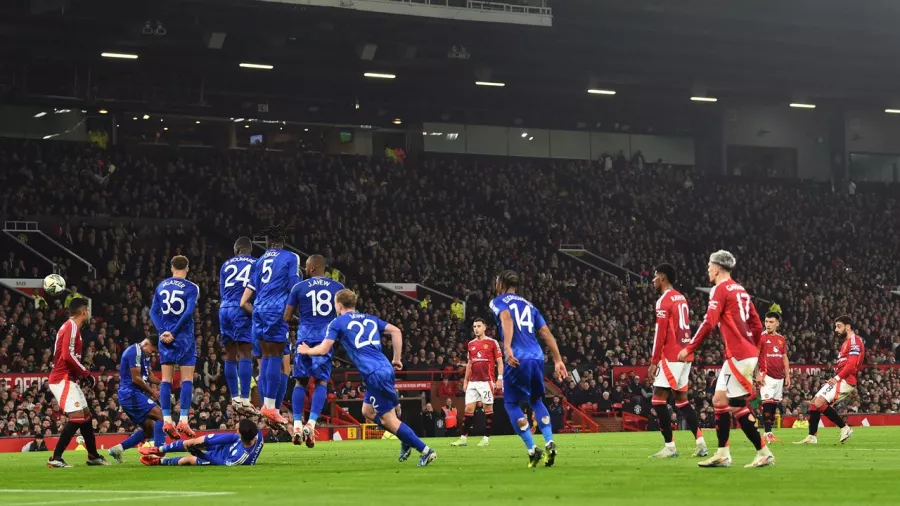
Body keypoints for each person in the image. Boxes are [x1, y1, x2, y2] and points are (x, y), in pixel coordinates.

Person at [297, 289, 437, 467]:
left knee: (389, 420)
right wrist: (396, 359)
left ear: (338, 305)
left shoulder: (338, 322)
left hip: (374, 374)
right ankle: (405, 438)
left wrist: (306, 350)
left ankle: (426, 451)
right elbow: (396, 331)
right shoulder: (370, 318)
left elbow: (323, 349)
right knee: (367, 412)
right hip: (384, 368)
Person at [677, 250, 772, 468]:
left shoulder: (719, 289)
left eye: (709, 265)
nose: (707, 269)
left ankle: (764, 452)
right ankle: (723, 454)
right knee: (719, 401)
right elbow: (757, 326)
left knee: (737, 407)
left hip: (739, 355)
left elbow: (709, 322)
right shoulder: (741, 290)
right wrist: (754, 354)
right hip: (741, 355)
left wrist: (690, 347)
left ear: (718, 267)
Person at [490, 270, 567, 468]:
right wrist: (558, 360)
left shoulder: (498, 301)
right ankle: (549, 441)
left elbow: (506, 319)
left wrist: (507, 347)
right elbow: (545, 332)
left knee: (511, 403)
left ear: (501, 284)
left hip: (517, 357)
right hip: (537, 356)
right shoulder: (529, 305)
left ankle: (533, 450)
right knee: (535, 400)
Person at [241, 223, 300, 426]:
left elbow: (252, 290)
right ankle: (271, 408)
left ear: (267, 243)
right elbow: (293, 285)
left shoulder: (259, 261)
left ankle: (268, 406)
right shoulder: (291, 257)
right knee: (277, 357)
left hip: (258, 310)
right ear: (282, 242)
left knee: (265, 358)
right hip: (276, 311)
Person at [284, 253, 344, 447]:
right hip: (325, 340)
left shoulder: (299, 287)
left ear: (310, 268)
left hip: (304, 338)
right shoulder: (338, 288)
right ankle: (311, 423)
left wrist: (302, 321)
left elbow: (286, 316)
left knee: (300, 382)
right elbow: (343, 317)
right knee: (321, 382)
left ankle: (298, 425)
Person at [648, 263, 707, 459]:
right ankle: (700, 443)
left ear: (663, 278)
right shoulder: (681, 298)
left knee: (658, 400)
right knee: (682, 401)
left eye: (655, 276)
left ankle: (670, 446)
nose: (653, 280)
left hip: (672, 355)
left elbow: (660, 333)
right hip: (685, 354)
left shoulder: (664, 301)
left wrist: (654, 361)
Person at [46, 298, 108, 467]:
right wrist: (86, 373)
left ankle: (93, 456)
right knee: (77, 417)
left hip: (68, 379)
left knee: (86, 417)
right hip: (62, 378)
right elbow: (67, 355)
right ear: (84, 311)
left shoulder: (70, 327)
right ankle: (55, 458)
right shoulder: (72, 326)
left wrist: (80, 375)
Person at [150, 255, 200, 440]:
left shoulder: (161, 286)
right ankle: (184, 420)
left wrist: (164, 331)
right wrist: (175, 332)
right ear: (187, 268)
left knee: (166, 380)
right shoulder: (192, 287)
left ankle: (167, 420)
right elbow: (188, 312)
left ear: (171, 268)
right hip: (184, 336)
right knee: (187, 379)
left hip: (165, 338)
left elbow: (152, 311)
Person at [794, 316, 863, 445]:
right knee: (814, 402)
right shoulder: (846, 343)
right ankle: (811, 436)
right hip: (840, 378)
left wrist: (836, 378)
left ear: (848, 327)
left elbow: (852, 365)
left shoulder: (854, 341)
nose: (836, 329)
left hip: (846, 379)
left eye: (839, 326)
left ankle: (845, 428)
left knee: (819, 402)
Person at [108, 336, 165, 463]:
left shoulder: (145, 354)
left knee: (149, 429)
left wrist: (163, 383)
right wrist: (152, 392)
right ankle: (159, 454)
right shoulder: (134, 351)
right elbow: (136, 379)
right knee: (160, 415)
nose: (153, 353)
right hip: (130, 394)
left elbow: (149, 375)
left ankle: (118, 449)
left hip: (133, 394)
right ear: (146, 344)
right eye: (153, 350)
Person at [218, 236, 257, 415]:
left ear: (236, 250)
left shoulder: (226, 265)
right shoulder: (256, 263)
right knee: (245, 353)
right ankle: (245, 399)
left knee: (230, 355)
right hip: (240, 309)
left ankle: (234, 398)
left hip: (224, 308)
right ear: (250, 250)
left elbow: (222, 291)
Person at [451, 318, 503, 447]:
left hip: (487, 381)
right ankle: (463, 438)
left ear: (484, 327)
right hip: (473, 382)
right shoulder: (471, 344)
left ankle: (486, 438)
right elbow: (469, 364)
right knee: (468, 409)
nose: (476, 329)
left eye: (479, 326)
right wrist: (465, 381)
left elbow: (500, 362)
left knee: (487, 409)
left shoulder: (492, 342)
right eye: (474, 326)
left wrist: (500, 378)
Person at [139, 419, 263, 466]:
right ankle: (158, 450)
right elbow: (233, 436)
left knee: (189, 459)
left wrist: (200, 454)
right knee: (194, 442)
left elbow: (221, 463)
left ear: (241, 434)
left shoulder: (240, 458)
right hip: (229, 441)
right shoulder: (256, 433)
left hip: (220, 457)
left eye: (237, 429)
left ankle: (159, 461)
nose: (235, 429)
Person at [756, 312, 790, 444]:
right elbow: (755, 355)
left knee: (773, 405)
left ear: (777, 323)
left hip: (779, 376)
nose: (768, 324)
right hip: (766, 375)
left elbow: (784, 357)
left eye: (771, 322)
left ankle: (769, 433)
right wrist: (757, 374)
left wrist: (787, 375)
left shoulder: (781, 339)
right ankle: (767, 433)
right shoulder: (761, 337)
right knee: (767, 404)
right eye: (766, 321)